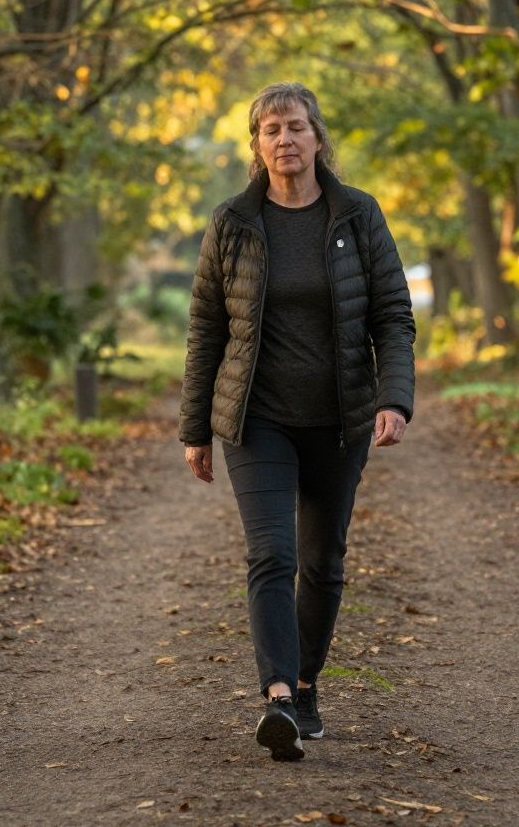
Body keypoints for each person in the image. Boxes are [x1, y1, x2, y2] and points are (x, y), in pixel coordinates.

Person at [179, 81, 415, 762]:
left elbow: (392, 316)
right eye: (271, 129)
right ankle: (278, 696)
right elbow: (206, 330)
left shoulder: (357, 215)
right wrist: (195, 428)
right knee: (272, 554)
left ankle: (307, 686)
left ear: (317, 138)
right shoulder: (232, 223)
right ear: (257, 146)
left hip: (340, 420)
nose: (284, 139)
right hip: (258, 420)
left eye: (296, 127)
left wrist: (394, 399)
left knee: (322, 561)